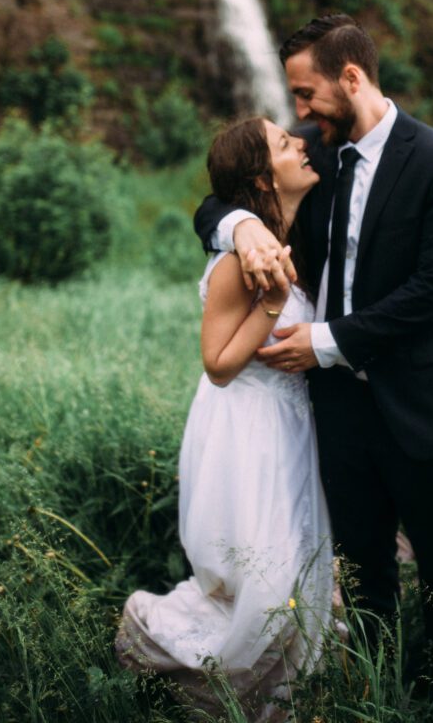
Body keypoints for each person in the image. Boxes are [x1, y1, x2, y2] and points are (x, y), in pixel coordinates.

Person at [194, 13, 433, 710]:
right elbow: (220, 196)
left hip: (421, 402)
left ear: (349, 78)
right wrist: (243, 226)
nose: (299, 112)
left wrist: (323, 343)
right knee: (361, 566)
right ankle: (377, 685)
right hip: (339, 412)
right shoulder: (318, 154)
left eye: (305, 93)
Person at [116, 117, 334, 723]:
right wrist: (271, 301)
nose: (301, 144)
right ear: (264, 177)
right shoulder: (244, 260)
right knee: (267, 575)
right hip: (249, 433)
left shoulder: (276, 233)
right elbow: (217, 364)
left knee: (295, 563)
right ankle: (221, 691)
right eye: (286, 144)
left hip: (290, 427)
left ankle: (288, 698)